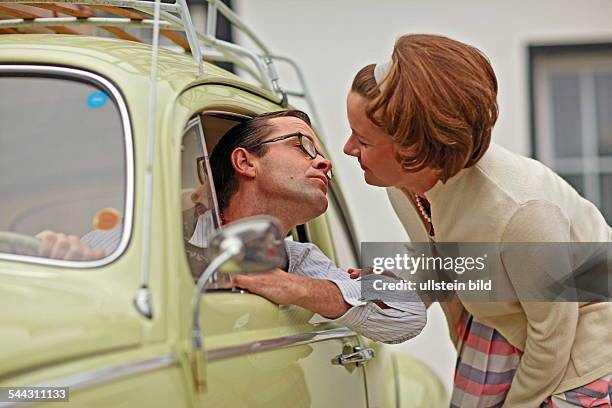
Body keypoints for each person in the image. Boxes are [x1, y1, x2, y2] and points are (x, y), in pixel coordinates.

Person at [343, 34, 612, 407]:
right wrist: (366, 293)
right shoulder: (403, 184)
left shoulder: (521, 211)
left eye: (363, 140)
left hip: (583, 349)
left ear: (414, 149)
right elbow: (438, 264)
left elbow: (553, 334)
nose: (347, 149)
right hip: (506, 322)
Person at [37, 109, 426, 345]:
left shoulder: (297, 258)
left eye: (322, 155)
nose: (325, 163)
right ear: (246, 162)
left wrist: (290, 286)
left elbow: (409, 312)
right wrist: (65, 263)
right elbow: (63, 301)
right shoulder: (153, 233)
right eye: (302, 146)